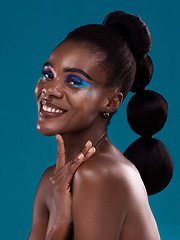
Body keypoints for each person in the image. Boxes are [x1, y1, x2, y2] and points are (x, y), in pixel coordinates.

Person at [27, 11, 173, 240]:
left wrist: (61, 226)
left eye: (74, 81)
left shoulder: (101, 175)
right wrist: (62, 223)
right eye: (48, 74)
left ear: (112, 101)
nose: (48, 89)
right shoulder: (53, 180)